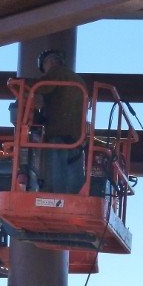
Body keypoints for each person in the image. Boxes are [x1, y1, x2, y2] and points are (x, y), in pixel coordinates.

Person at [32, 49, 87, 193]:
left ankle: (54, 199)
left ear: (49, 62)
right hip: (77, 139)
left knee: (55, 185)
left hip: (59, 136)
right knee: (74, 183)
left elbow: (40, 88)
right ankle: (75, 201)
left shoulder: (56, 73)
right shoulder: (78, 80)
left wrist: (28, 96)